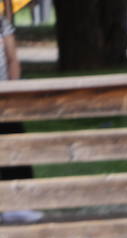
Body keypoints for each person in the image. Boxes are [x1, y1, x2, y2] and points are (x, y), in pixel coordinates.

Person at [0, 0, 41, 225]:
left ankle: (21, 204)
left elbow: (13, 58)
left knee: (16, 146)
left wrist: (13, 90)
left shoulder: (2, 24)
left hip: (4, 97)